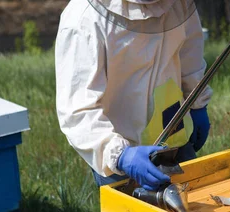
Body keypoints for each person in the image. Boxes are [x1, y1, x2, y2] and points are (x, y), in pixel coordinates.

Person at [55, 0, 212, 191]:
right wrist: (120, 155)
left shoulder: (178, 3)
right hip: (122, 158)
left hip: (175, 137)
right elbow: (78, 110)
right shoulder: (84, 17)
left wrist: (197, 103)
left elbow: (190, 55)